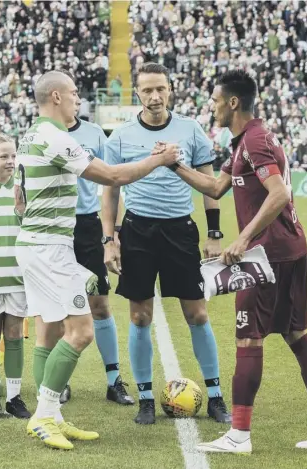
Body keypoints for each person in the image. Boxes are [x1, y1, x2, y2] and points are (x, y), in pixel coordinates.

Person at [163, 70, 307, 453]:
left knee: (248, 336)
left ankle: (239, 435)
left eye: (214, 100)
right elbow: (216, 187)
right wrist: (174, 165)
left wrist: (244, 238)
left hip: (267, 255)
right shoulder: (246, 140)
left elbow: (278, 193)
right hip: (288, 249)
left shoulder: (255, 140)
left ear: (232, 102)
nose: (211, 107)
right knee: (296, 334)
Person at [14, 70, 179, 450]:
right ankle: (43, 416)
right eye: (73, 93)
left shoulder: (31, 134)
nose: (78, 99)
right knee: (82, 331)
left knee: (50, 331)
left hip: (37, 243)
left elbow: (20, 199)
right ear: (55, 97)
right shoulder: (55, 137)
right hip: (50, 249)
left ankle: (51, 416)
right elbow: (109, 175)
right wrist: (159, 159)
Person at [102, 62, 230, 425]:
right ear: (137, 94)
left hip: (180, 232)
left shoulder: (190, 129)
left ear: (170, 89)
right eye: (147, 90)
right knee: (140, 316)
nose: (155, 97)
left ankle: (216, 395)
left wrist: (214, 234)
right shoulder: (122, 136)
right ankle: (145, 399)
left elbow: (209, 186)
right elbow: (109, 191)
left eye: (161, 89)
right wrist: (110, 240)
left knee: (198, 314)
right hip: (138, 232)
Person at [59, 112, 134, 406]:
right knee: (61, 308)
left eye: (78, 94)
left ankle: (113, 381)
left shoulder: (94, 134)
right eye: (70, 93)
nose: (75, 99)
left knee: (100, 303)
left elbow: (111, 184)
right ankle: (60, 380)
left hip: (88, 227)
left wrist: (112, 234)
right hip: (55, 226)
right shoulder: (43, 133)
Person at [0, 134, 31, 420]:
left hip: (16, 278)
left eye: (13, 156)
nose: (11, 161)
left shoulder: (22, 193)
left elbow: (31, 233)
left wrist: (24, 211)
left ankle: (13, 397)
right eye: (4, 156)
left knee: (14, 336)